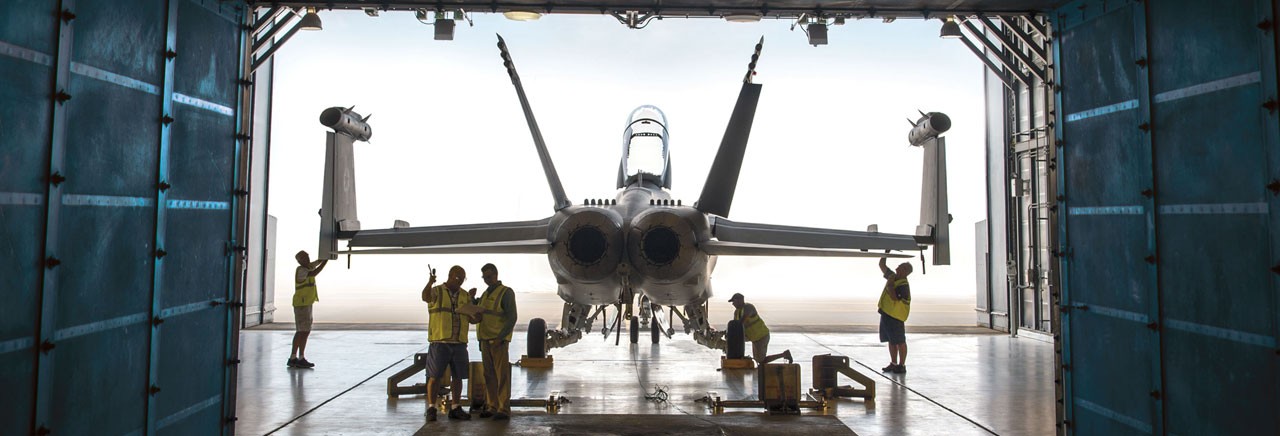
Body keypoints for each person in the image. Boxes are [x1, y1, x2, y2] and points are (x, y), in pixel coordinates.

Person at [423, 265, 480, 422]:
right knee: (434, 377)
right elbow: (425, 297)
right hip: (440, 341)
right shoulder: (438, 291)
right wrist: (429, 283)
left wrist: (477, 314)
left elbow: (472, 318)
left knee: (458, 377)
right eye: (458, 277)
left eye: (463, 278)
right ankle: (431, 408)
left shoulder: (464, 295)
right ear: (450, 275)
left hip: (459, 342)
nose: (460, 280)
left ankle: (455, 407)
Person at [474, 263, 518, 420]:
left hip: (498, 341)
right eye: (485, 277)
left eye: (489, 276)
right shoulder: (485, 295)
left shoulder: (505, 292)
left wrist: (501, 338)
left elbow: (512, 317)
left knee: (501, 375)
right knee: (489, 375)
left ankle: (503, 408)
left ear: (496, 275)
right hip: (485, 340)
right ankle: (492, 406)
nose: (487, 280)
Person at [728, 293, 792, 365]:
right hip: (753, 337)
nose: (733, 304)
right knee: (735, 341)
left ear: (740, 300)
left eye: (734, 301)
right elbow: (735, 326)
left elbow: (740, 323)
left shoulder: (748, 308)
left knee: (761, 361)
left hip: (761, 336)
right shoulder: (737, 312)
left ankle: (784, 354)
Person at [289, 250, 327, 369]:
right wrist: (325, 261)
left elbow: (315, 264)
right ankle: (294, 357)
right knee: (301, 331)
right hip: (302, 304)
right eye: (305, 258)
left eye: (308, 256)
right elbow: (314, 272)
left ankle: (299, 357)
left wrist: (324, 257)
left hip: (306, 303)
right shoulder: (301, 270)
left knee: (305, 331)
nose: (308, 259)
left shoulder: (307, 267)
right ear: (299, 261)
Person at [877, 257, 912, 374]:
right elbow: (882, 265)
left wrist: (890, 285)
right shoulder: (893, 276)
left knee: (900, 341)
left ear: (905, 271)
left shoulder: (903, 285)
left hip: (896, 317)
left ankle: (901, 365)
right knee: (891, 340)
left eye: (900, 267)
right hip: (887, 314)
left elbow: (894, 297)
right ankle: (893, 363)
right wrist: (885, 253)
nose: (897, 268)